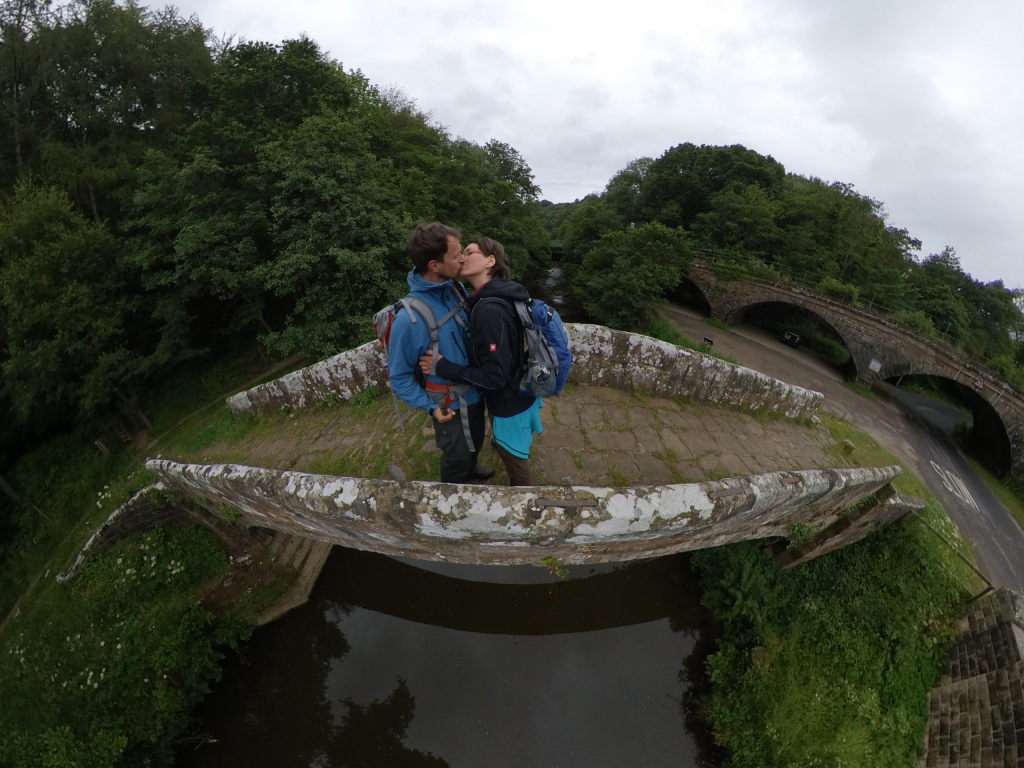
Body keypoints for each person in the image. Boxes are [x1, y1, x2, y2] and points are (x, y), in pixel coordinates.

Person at [419, 236, 542, 486]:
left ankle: (527, 507)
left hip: (509, 405)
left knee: (517, 468)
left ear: (490, 261)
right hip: (521, 388)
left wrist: (442, 366)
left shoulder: (489, 311)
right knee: (511, 447)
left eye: (469, 252)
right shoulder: (500, 294)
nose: (462, 257)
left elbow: (495, 379)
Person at [387, 222, 492, 483]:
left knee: (476, 440)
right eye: (457, 256)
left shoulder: (453, 288)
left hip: (474, 390)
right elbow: (398, 377)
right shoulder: (409, 320)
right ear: (435, 266)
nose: (463, 259)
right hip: (449, 407)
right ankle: (454, 500)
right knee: (456, 458)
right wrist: (430, 408)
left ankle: (472, 470)